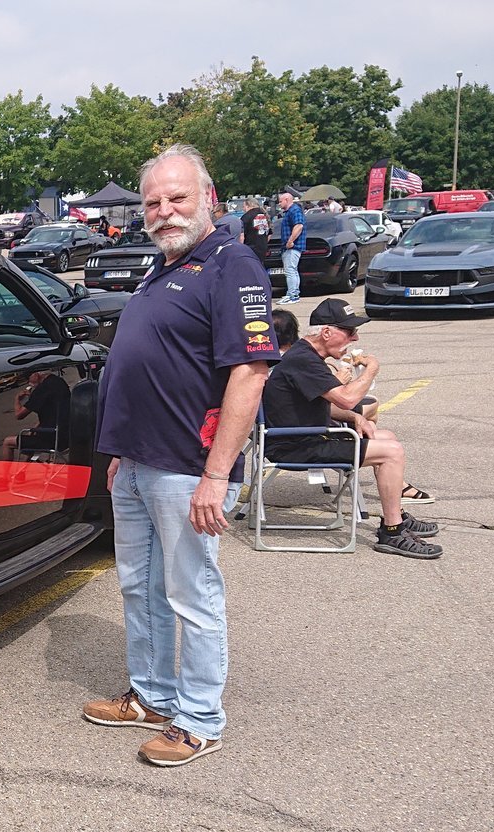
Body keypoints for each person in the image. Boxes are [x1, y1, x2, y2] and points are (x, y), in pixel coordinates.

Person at [82, 144, 275, 767]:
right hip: (137, 462)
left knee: (192, 593)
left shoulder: (232, 264)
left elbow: (249, 372)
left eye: (177, 198)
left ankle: (199, 718)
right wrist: (121, 451)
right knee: (140, 588)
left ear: (208, 199)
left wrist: (216, 474)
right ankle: (151, 694)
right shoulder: (164, 264)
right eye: (153, 202)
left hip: (188, 468)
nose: (164, 211)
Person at [261, 299, 442, 558]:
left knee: (385, 436)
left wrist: (354, 417)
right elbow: (347, 398)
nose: (355, 338)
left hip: (308, 437)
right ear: (326, 332)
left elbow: (321, 404)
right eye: (349, 331)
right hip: (296, 446)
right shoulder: (303, 360)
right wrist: (371, 370)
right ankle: (392, 531)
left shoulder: (307, 356)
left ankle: (397, 514)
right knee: (391, 452)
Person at [276, 191, 306, 303]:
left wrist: (290, 241)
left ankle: (292, 295)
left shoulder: (294, 210)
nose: (279, 204)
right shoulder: (290, 212)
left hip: (293, 247)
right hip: (291, 247)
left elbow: (299, 225)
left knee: (290, 271)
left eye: (280, 201)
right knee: (292, 270)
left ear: (287, 200)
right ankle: (294, 294)